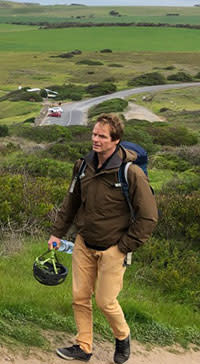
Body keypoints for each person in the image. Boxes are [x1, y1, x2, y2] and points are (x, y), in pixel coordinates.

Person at [49, 114, 158, 364]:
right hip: (84, 243)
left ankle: (122, 337)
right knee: (80, 297)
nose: (95, 139)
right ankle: (84, 347)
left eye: (101, 136)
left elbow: (149, 217)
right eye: (94, 134)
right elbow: (71, 202)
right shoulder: (83, 166)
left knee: (105, 301)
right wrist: (57, 232)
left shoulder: (131, 173)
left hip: (114, 248)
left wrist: (123, 247)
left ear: (115, 140)